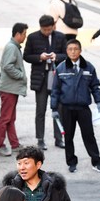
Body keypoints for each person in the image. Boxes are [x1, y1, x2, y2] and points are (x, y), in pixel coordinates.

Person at [51, 39, 100, 173]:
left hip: (83, 108)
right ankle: (71, 162)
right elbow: (55, 90)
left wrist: (98, 101)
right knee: (68, 137)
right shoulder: (61, 68)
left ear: (80, 50)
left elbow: (95, 86)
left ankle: (96, 162)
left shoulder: (89, 67)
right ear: (66, 51)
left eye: (76, 49)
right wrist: (53, 108)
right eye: (70, 49)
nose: (73, 51)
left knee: (89, 135)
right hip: (67, 109)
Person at [23, 15, 67, 151]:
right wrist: (39, 57)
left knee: (58, 109)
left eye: (49, 29)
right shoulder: (32, 37)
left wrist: (56, 57)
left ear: (53, 26)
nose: (47, 32)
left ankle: (59, 138)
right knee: (40, 110)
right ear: (40, 27)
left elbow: (66, 55)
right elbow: (26, 56)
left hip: (56, 77)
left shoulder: (60, 36)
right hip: (40, 79)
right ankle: (40, 139)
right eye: (44, 29)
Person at [0, 23, 29, 157]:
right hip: (8, 89)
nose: (25, 37)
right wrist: (21, 75)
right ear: (18, 34)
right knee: (5, 118)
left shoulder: (14, 47)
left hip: (11, 88)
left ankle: (14, 144)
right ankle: (0, 145)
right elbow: (7, 66)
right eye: (24, 34)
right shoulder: (11, 47)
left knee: (10, 118)